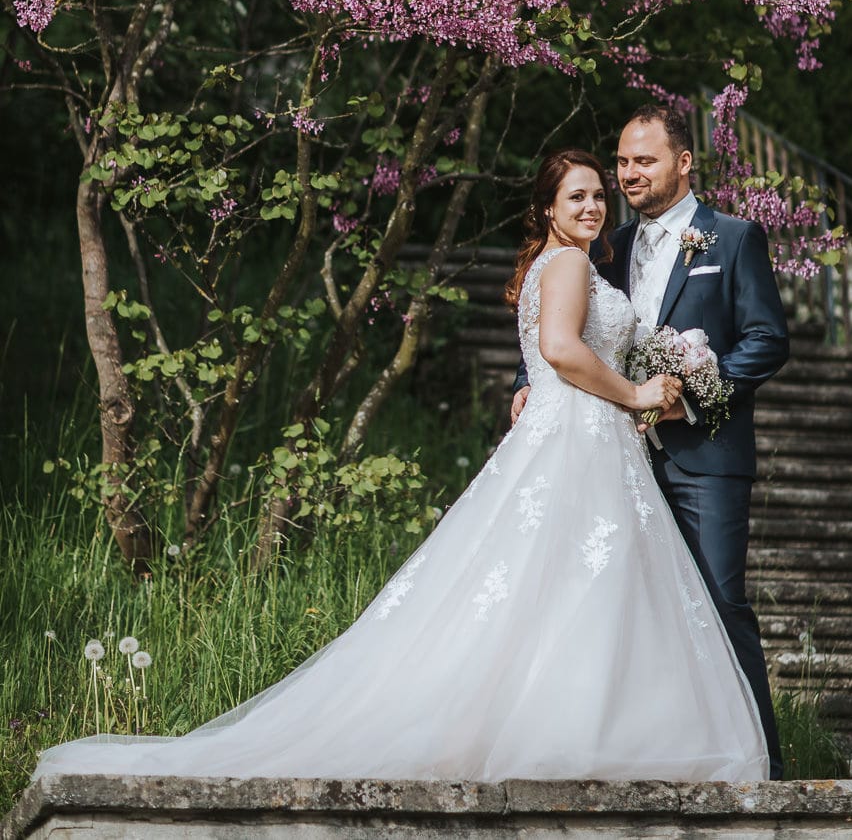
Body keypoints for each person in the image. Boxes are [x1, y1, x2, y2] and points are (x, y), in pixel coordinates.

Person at [33, 149, 768, 785]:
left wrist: (667, 372)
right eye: (576, 195)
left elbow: (567, 349)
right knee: (571, 585)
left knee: (559, 590)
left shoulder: (563, 263)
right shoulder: (571, 260)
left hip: (583, 435)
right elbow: (563, 351)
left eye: (598, 195)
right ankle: (576, 732)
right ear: (547, 207)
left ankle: (569, 726)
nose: (592, 205)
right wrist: (639, 392)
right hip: (579, 434)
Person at [513, 109, 789, 779]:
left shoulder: (733, 238)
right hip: (610, 455)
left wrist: (696, 389)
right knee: (624, 607)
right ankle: (652, 758)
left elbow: (767, 340)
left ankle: (764, 768)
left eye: (644, 161)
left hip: (704, 457)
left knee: (720, 602)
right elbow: (568, 325)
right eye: (622, 163)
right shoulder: (603, 244)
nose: (628, 175)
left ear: (684, 162)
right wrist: (527, 381)